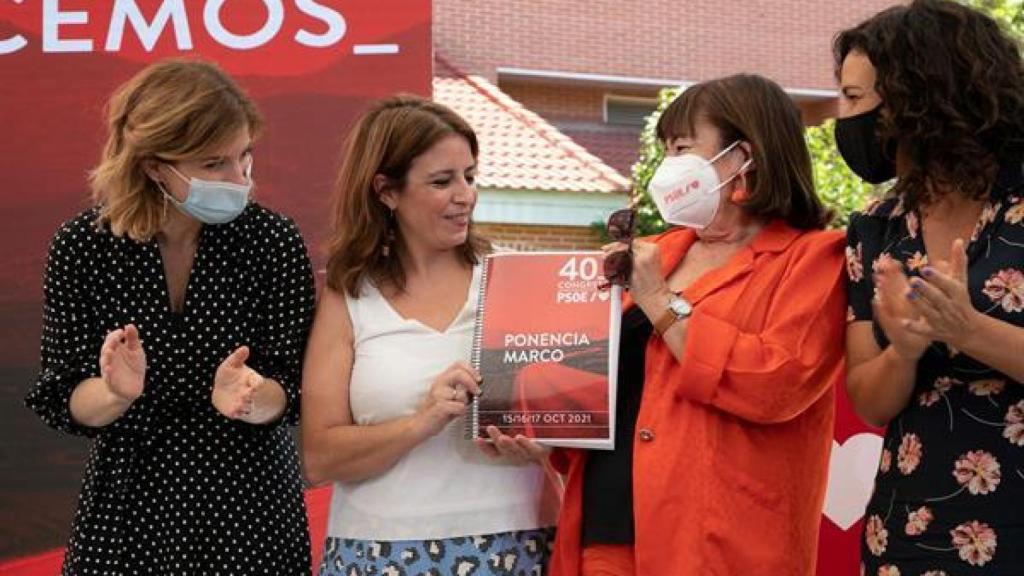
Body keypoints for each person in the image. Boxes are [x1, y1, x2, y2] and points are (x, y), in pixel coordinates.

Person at [545, 73, 846, 575]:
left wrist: (661, 303)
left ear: (743, 157)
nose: (668, 167)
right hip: (609, 527)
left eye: (682, 147)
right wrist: (532, 416)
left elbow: (775, 383)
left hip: (722, 544)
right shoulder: (652, 253)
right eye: (665, 150)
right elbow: (590, 382)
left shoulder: (814, 258)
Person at [24, 59, 315, 575]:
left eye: (243, 157)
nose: (238, 179)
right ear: (155, 165)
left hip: (251, 505)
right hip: (128, 504)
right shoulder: (82, 247)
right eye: (212, 164)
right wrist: (114, 392)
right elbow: (64, 397)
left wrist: (251, 398)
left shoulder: (273, 241)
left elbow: (294, 391)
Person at [301, 95, 559, 575]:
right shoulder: (349, 295)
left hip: (518, 542)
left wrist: (550, 444)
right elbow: (317, 458)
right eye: (442, 181)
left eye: (470, 176)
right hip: (378, 552)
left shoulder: (518, 279)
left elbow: (574, 420)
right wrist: (421, 422)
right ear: (386, 191)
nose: (465, 194)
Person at [837, 1, 1024, 573]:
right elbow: (869, 401)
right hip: (911, 527)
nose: (840, 117)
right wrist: (905, 350)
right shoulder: (877, 224)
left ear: (920, 98)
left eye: (853, 98)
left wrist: (967, 329)